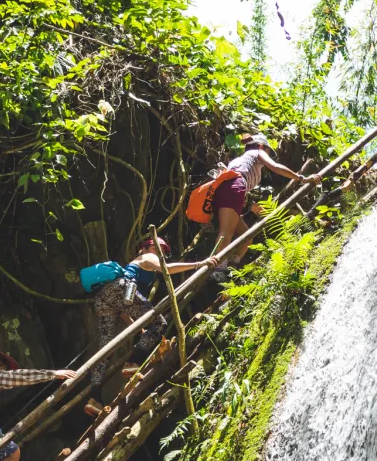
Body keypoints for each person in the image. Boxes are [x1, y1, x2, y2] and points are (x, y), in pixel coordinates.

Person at [90, 237, 216, 399]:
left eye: (163, 251)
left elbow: (122, 310)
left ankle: (94, 397)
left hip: (103, 298)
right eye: (157, 248)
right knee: (159, 323)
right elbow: (166, 269)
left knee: (106, 348)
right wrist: (200, 264)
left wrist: (139, 330)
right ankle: (133, 362)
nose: (160, 252)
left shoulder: (134, 266)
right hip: (121, 289)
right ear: (144, 249)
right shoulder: (147, 257)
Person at [211, 133, 319, 262]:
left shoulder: (239, 161)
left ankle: (232, 264)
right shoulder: (257, 152)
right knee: (226, 231)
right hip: (234, 189)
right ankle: (218, 266)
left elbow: (232, 186)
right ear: (261, 146)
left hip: (223, 190)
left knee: (246, 237)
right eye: (268, 150)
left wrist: (250, 204)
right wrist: (302, 178)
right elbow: (276, 167)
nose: (268, 154)